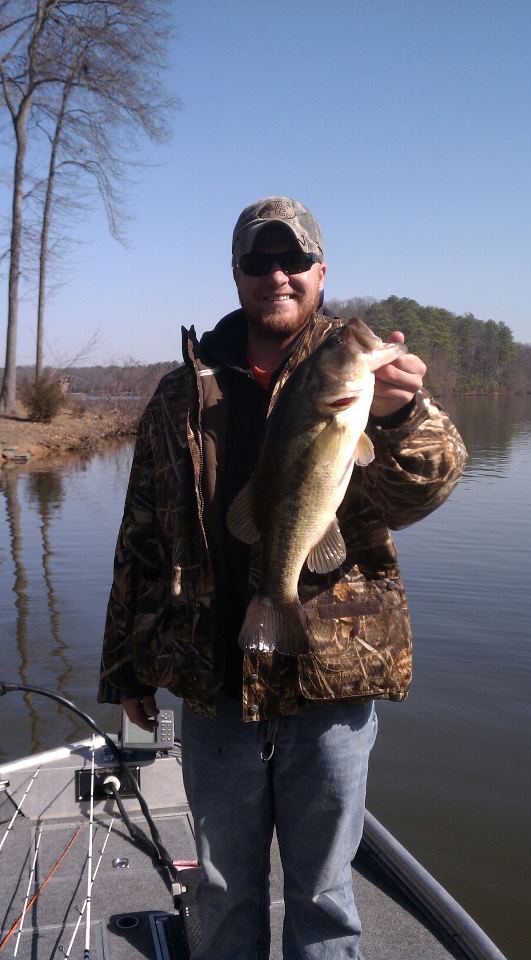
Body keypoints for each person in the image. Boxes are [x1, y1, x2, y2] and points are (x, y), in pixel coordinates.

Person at [98, 196, 467, 959]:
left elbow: (425, 486)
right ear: (235, 276)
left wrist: (397, 421)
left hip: (330, 682)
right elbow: (140, 530)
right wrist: (126, 664)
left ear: (320, 273)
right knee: (226, 892)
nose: (277, 275)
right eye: (258, 261)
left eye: (293, 260)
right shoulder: (178, 394)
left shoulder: (364, 377)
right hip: (214, 686)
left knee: (326, 898)